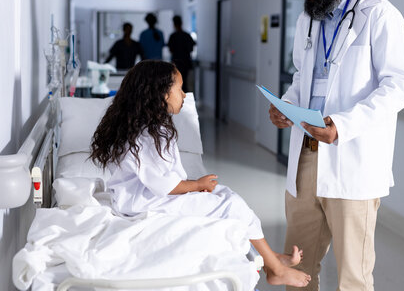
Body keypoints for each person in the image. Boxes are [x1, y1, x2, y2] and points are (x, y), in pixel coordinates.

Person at [268, 0, 404, 290]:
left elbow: (400, 85)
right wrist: (287, 104)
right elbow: (304, 75)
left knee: (353, 275)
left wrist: (343, 125)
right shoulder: (309, 18)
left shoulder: (379, 15)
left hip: (352, 157)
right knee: (297, 266)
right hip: (306, 154)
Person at [90, 60, 311, 288]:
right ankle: (274, 269)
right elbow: (166, 186)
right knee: (231, 205)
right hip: (143, 204)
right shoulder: (148, 136)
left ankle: (270, 258)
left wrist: (197, 186)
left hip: (143, 197)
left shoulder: (144, 127)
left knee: (227, 196)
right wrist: (196, 185)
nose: (184, 95)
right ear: (162, 94)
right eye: (179, 89)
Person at [168, 15, 196, 92]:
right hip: (186, 63)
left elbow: (170, 49)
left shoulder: (173, 36)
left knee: (177, 84)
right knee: (185, 84)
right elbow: (191, 49)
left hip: (177, 63)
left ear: (174, 24)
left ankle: (179, 102)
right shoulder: (187, 35)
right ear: (181, 23)